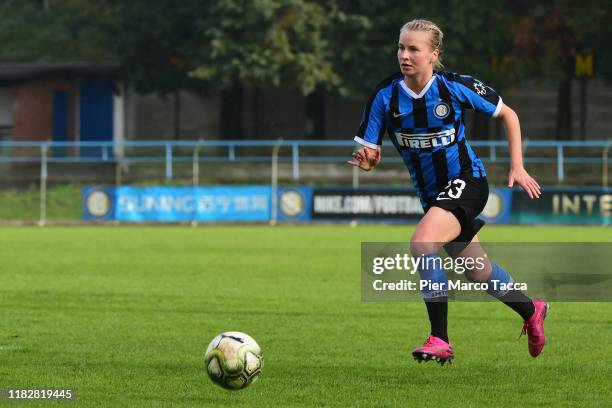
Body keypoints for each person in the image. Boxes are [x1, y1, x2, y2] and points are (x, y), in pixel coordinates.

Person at [348, 19, 548, 365]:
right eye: (401, 48)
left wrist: (517, 165)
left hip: (469, 182)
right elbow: (370, 150)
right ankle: (532, 310)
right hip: (433, 197)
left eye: (414, 49)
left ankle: (440, 338)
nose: (405, 55)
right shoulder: (384, 95)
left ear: (433, 54)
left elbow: (509, 115)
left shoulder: (454, 87)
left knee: (422, 242)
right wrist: (370, 163)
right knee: (477, 269)